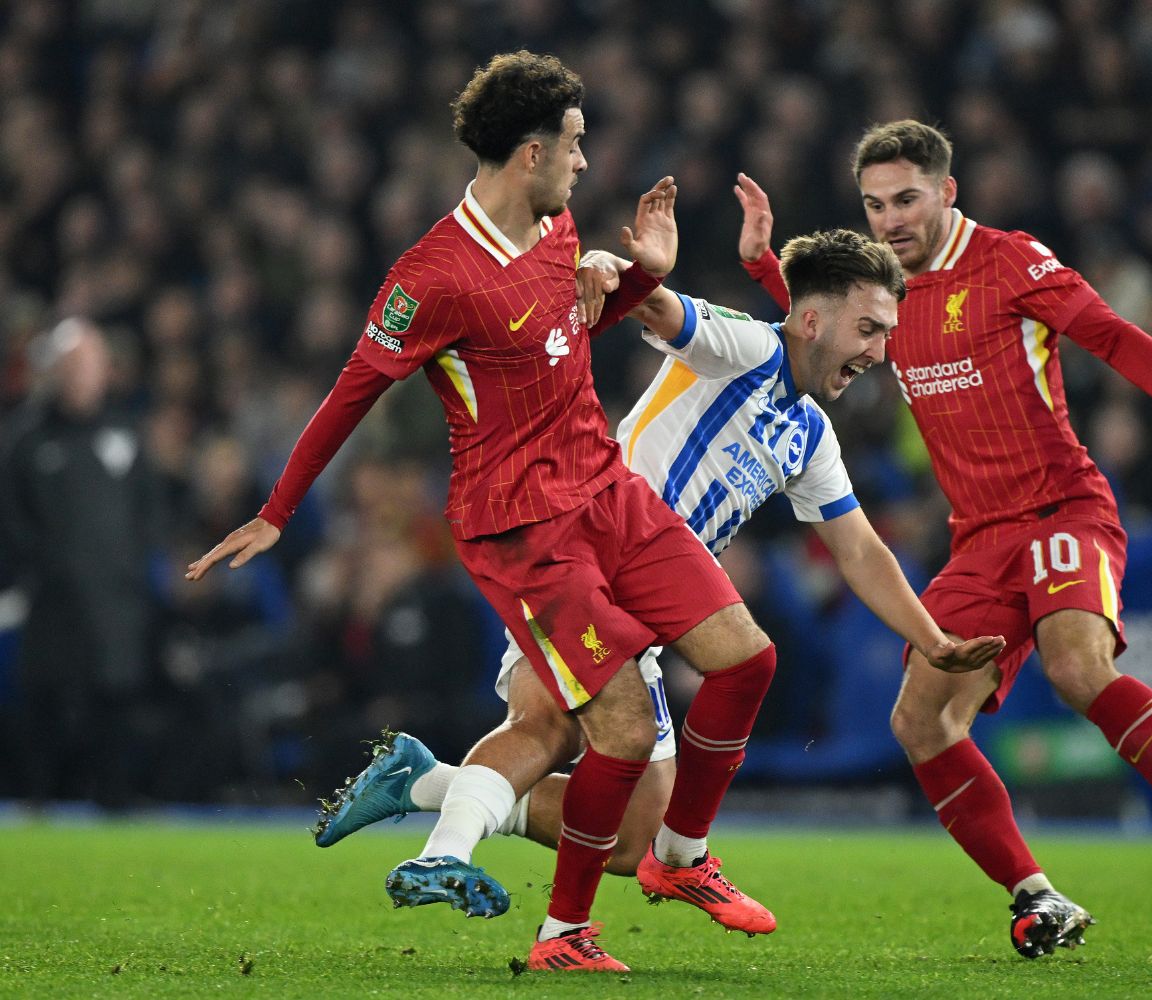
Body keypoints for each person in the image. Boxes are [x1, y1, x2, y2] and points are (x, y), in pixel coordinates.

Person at [189, 51, 777, 974]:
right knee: (617, 729)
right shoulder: (433, 275)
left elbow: (558, 334)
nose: (586, 163)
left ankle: (680, 859)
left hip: (607, 489)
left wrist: (639, 276)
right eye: (576, 146)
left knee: (747, 658)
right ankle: (564, 936)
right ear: (531, 153)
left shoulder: (558, 228)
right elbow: (351, 391)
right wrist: (278, 511)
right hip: (524, 528)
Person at [313, 229, 1003, 930]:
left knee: (631, 834)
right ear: (813, 319)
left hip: (658, 603)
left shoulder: (810, 435)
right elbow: (661, 310)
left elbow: (859, 550)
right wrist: (610, 268)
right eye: (868, 328)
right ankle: (464, 858)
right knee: (545, 726)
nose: (879, 352)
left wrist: (933, 639)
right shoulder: (745, 346)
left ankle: (427, 783)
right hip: (585, 556)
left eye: (885, 333)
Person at [734, 121, 1152, 959]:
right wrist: (760, 260)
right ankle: (1038, 896)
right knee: (918, 719)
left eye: (906, 199)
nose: (890, 220)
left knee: (1076, 668)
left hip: (1062, 508)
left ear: (948, 191)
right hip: (978, 540)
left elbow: (1110, 332)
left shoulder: (1011, 260)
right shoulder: (884, 296)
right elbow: (814, 319)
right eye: (875, 205)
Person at [0, 318, 164, 809]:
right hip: (50, 602)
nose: (79, 375)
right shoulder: (26, 438)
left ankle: (116, 801)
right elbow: (9, 513)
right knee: (46, 705)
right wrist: (37, 567)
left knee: (115, 703)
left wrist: (134, 570)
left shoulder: (127, 435)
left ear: (105, 371)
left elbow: (149, 511)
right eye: (70, 364)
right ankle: (38, 804)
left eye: (88, 363)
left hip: (114, 604)